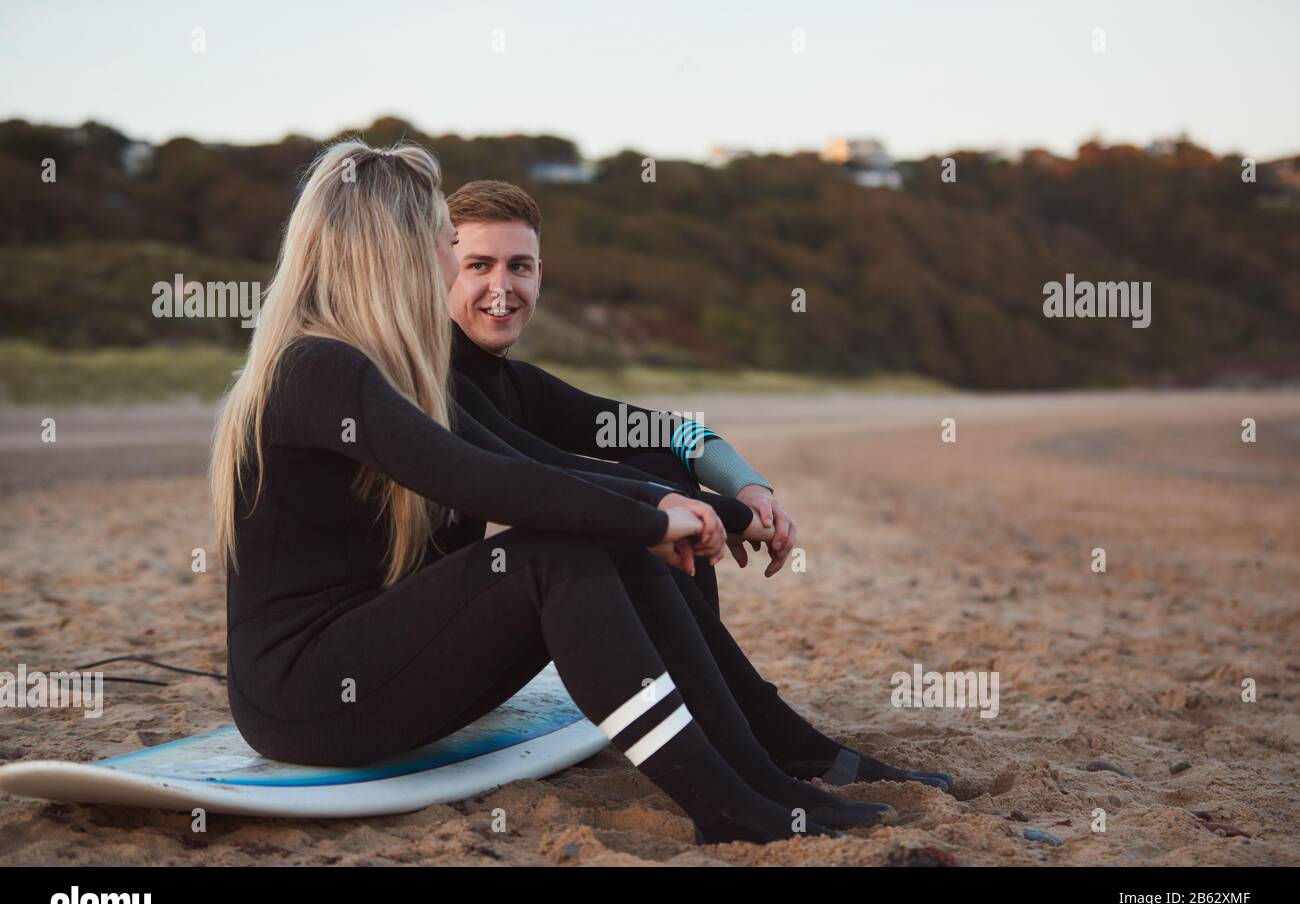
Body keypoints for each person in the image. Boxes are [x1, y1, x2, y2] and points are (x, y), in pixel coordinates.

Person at [210, 140, 894, 846]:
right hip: (307, 693)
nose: (457, 267)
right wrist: (668, 513)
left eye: (513, 264)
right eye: (454, 249)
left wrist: (711, 502)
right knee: (555, 558)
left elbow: (533, 460)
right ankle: (727, 801)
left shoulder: (391, 371)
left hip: (380, 663)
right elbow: (483, 477)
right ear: (400, 250)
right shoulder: (321, 367)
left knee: (606, 538)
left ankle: (761, 775)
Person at [443, 179, 954, 791]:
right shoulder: (428, 380)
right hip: (423, 645)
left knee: (657, 459)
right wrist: (716, 518)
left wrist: (750, 489)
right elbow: (554, 478)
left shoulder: (515, 383)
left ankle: (717, 706)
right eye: (479, 265)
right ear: (441, 267)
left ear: (540, 275)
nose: (502, 288)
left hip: (469, 618)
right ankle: (759, 728)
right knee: (615, 512)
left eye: (518, 266)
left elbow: (668, 432)